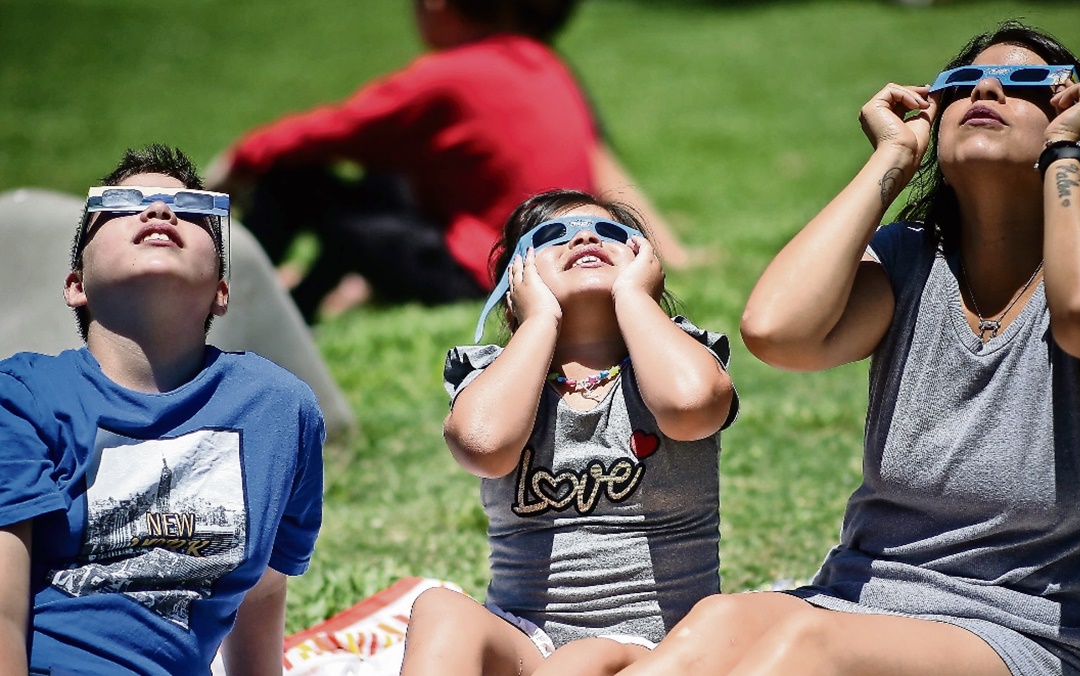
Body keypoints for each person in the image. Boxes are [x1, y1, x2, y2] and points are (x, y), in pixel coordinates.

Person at [615, 21, 1080, 676]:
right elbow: (777, 331)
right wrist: (892, 158)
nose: (984, 88)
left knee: (804, 651)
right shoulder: (907, 266)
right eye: (961, 83)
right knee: (718, 622)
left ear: (1078, 117)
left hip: (1049, 633)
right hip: (864, 598)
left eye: (1025, 85)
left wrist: (1066, 153)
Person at [0, 144, 325, 675]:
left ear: (223, 290)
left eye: (194, 212)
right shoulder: (22, 397)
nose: (158, 212)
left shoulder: (280, 410)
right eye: (123, 204)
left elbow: (261, 593)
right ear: (75, 284)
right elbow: (2, 616)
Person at [399, 189, 736, 676]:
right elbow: (485, 446)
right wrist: (540, 321)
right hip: (526, 640)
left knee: (584, 657)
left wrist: (635, 299)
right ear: (514, 284)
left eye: (614, 234)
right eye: (552, 235)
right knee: (438, 607)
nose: (584, 236)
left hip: (662, 644)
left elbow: (691, 407)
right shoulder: (496, 376)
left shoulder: (674, 358)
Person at [209, 0, 691, 323]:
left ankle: (240, 301)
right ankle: (294, 300)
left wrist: (238, 159)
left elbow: (332, 130)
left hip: (485, 270)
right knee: (382, 181)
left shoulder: (447, 77)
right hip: (533, 255)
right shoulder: (541, 60)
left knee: (295, 180)